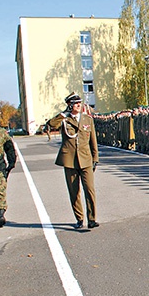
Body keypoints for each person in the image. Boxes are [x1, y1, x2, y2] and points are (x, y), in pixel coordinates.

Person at [47, 93, 99, 229]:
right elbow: (51, 125)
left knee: (90, 190)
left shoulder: (88, 119)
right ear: (70, 105)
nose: (78, 105)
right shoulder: (64, 120)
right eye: (75, 103)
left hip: (86, 159)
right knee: (74, 192)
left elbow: (93, 141)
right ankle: (80, 218)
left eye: (79, 103)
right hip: (70, 160)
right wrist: (63, 114)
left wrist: (95, 158)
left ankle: (92, 219)